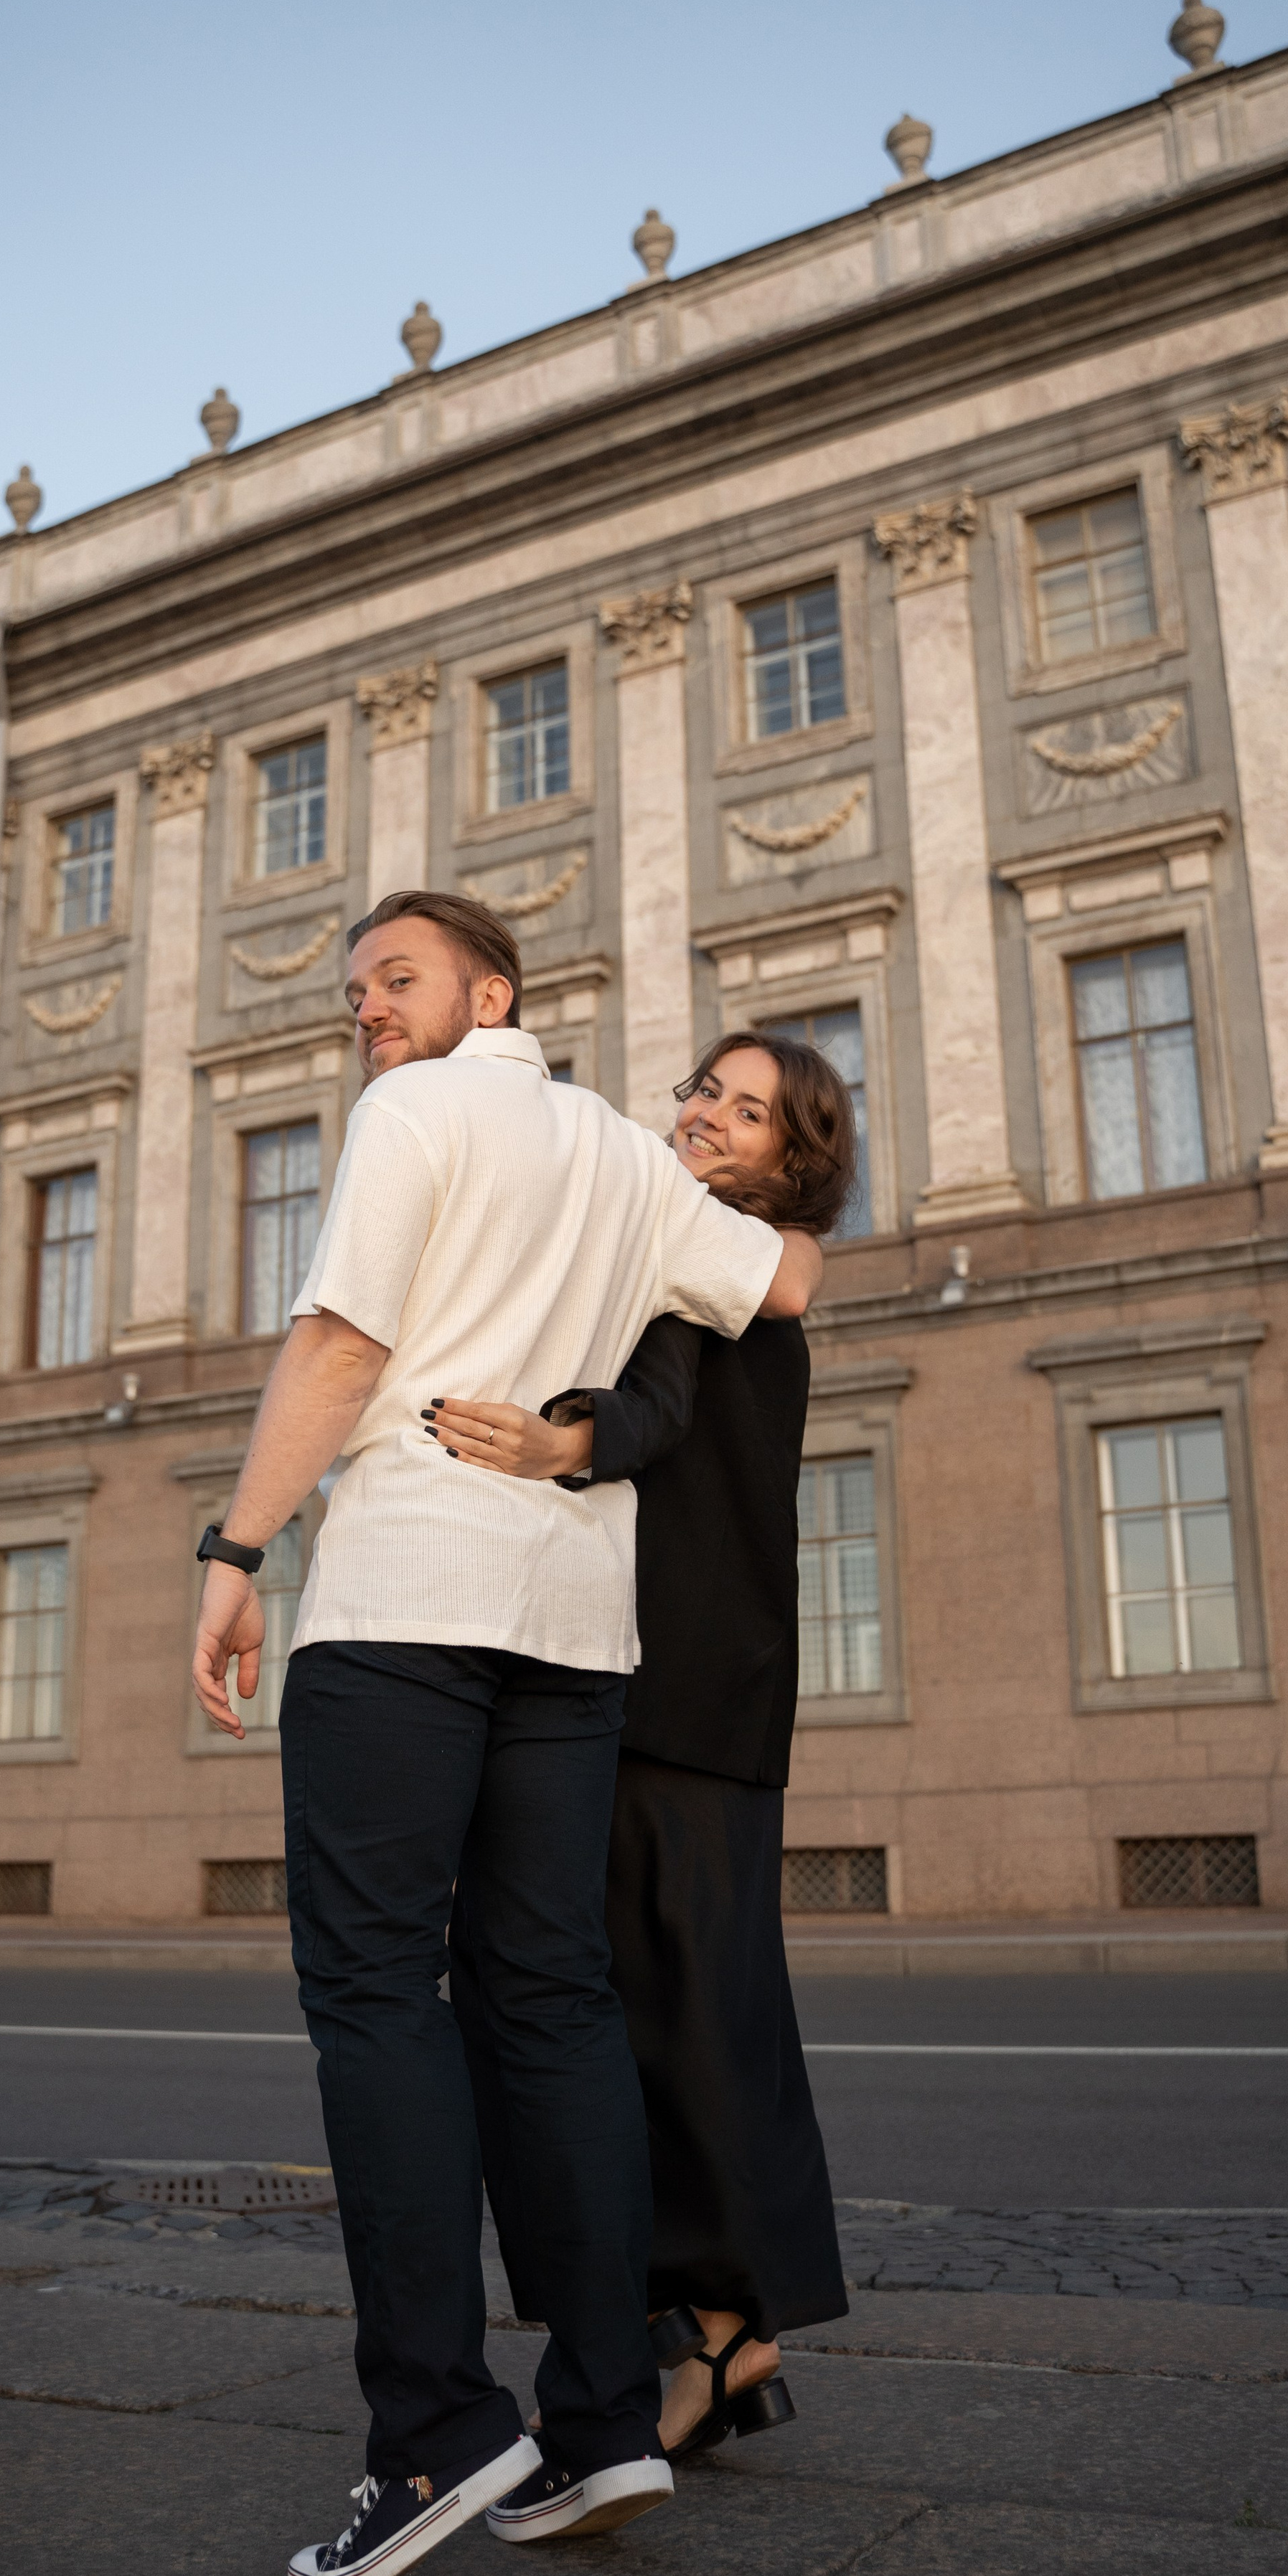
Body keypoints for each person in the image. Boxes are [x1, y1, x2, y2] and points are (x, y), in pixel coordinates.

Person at [189, 897, 822, 2576]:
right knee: (548, 1999)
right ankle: (604, 2418)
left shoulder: (420, 1109)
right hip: (570, 1629)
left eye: (392, 981)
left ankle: (431, 2436)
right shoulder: (627, 1155)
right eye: (351, 994)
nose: (364, 1014)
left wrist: (238, 1551)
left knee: (381, 1997)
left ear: (490, 993)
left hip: (404, 1595)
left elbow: (339, 1346)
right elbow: (784, 1274)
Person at [430, 1029, 855, 2465]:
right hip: (677, 1689)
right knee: (666, 2021)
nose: (709, 1121)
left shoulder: (714, 1256)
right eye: (704, 1094)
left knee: (660, 2027)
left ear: (792, 1163)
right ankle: (700, 2334)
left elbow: (655, 1406)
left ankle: (718, 2333)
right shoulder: (698, 1244)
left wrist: (556, 1439)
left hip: (677, 1701)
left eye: (750, 1114)